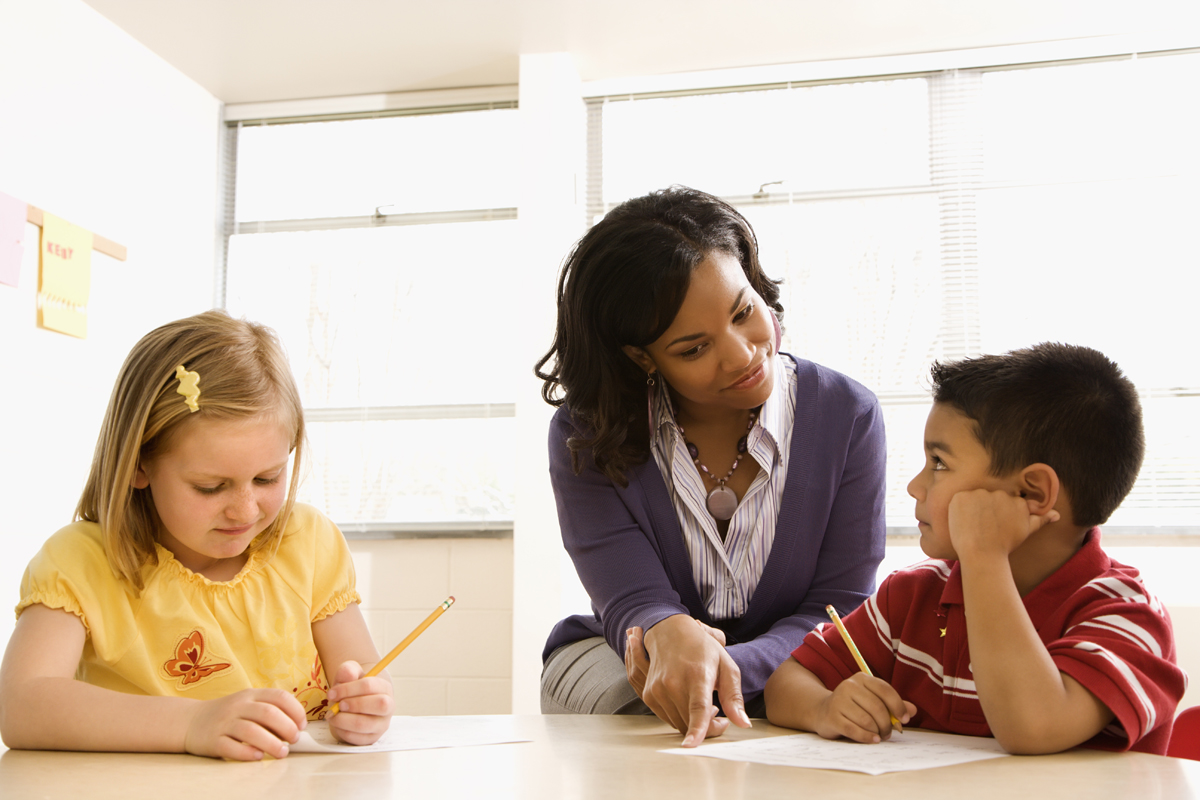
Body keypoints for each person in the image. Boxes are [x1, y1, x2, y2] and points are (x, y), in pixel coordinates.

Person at [535, 186, 886, 746]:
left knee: (810, 706)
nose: (743, 354)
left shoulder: (848, 414)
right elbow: (631, 598)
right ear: (641, 356)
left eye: (743, 312)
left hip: (796, 658)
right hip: (623, 658)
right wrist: (668, 634)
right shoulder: (588, 433)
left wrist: (727, 670)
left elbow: (839, 605)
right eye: (694, 348)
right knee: (652, 716)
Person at [0, 310, 393, 760]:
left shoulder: (308, 543)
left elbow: (363, 670)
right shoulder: (82, 563)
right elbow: (22, 706)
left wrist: (366, 703)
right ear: (139, 465)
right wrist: (193, 723)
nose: (245, 509)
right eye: (211, 487)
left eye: (267, 478)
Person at [764, 343, 1187, 755]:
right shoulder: (912, 596)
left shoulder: (1128, 615)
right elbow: (786, 684)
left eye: (940, 463)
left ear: (1031, 492)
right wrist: (825, 707)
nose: (915, 486)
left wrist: (985, 555)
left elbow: (1032, 727)